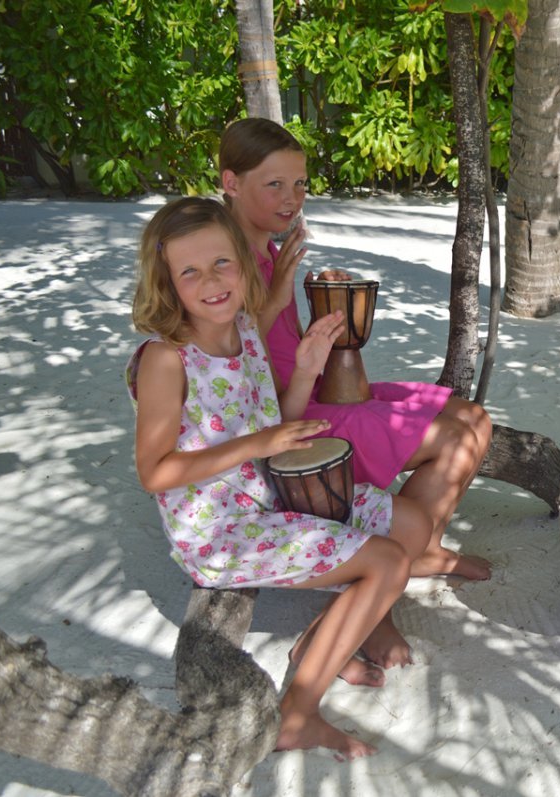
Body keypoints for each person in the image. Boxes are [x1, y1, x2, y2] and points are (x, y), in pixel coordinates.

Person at [127, 196, 434, 758]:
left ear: (243, 265)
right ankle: (297, 714)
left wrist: (311, 366)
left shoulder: (245, 331)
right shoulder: (165, 359)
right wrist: (259, 444)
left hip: (269, 498)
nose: (211, 281)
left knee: (411, 520)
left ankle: (329, 643)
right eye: (189, 271)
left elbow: (277, 422)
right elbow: (155, 472)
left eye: (222, 263)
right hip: (218, 533)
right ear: (167, 285)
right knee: (388, 561)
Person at [217, 118, 494, 666]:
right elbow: (241, 366)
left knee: (474, 418)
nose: (291, 198)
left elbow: (280, 336)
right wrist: (278, 295)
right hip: (287, 412)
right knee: (455, 441)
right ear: (230, 183)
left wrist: (316, 293)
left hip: (310, 387)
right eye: (274, 185)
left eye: (299, 184)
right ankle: (373, 596)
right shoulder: (222, 258)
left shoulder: (269, 248)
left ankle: (414, 551)